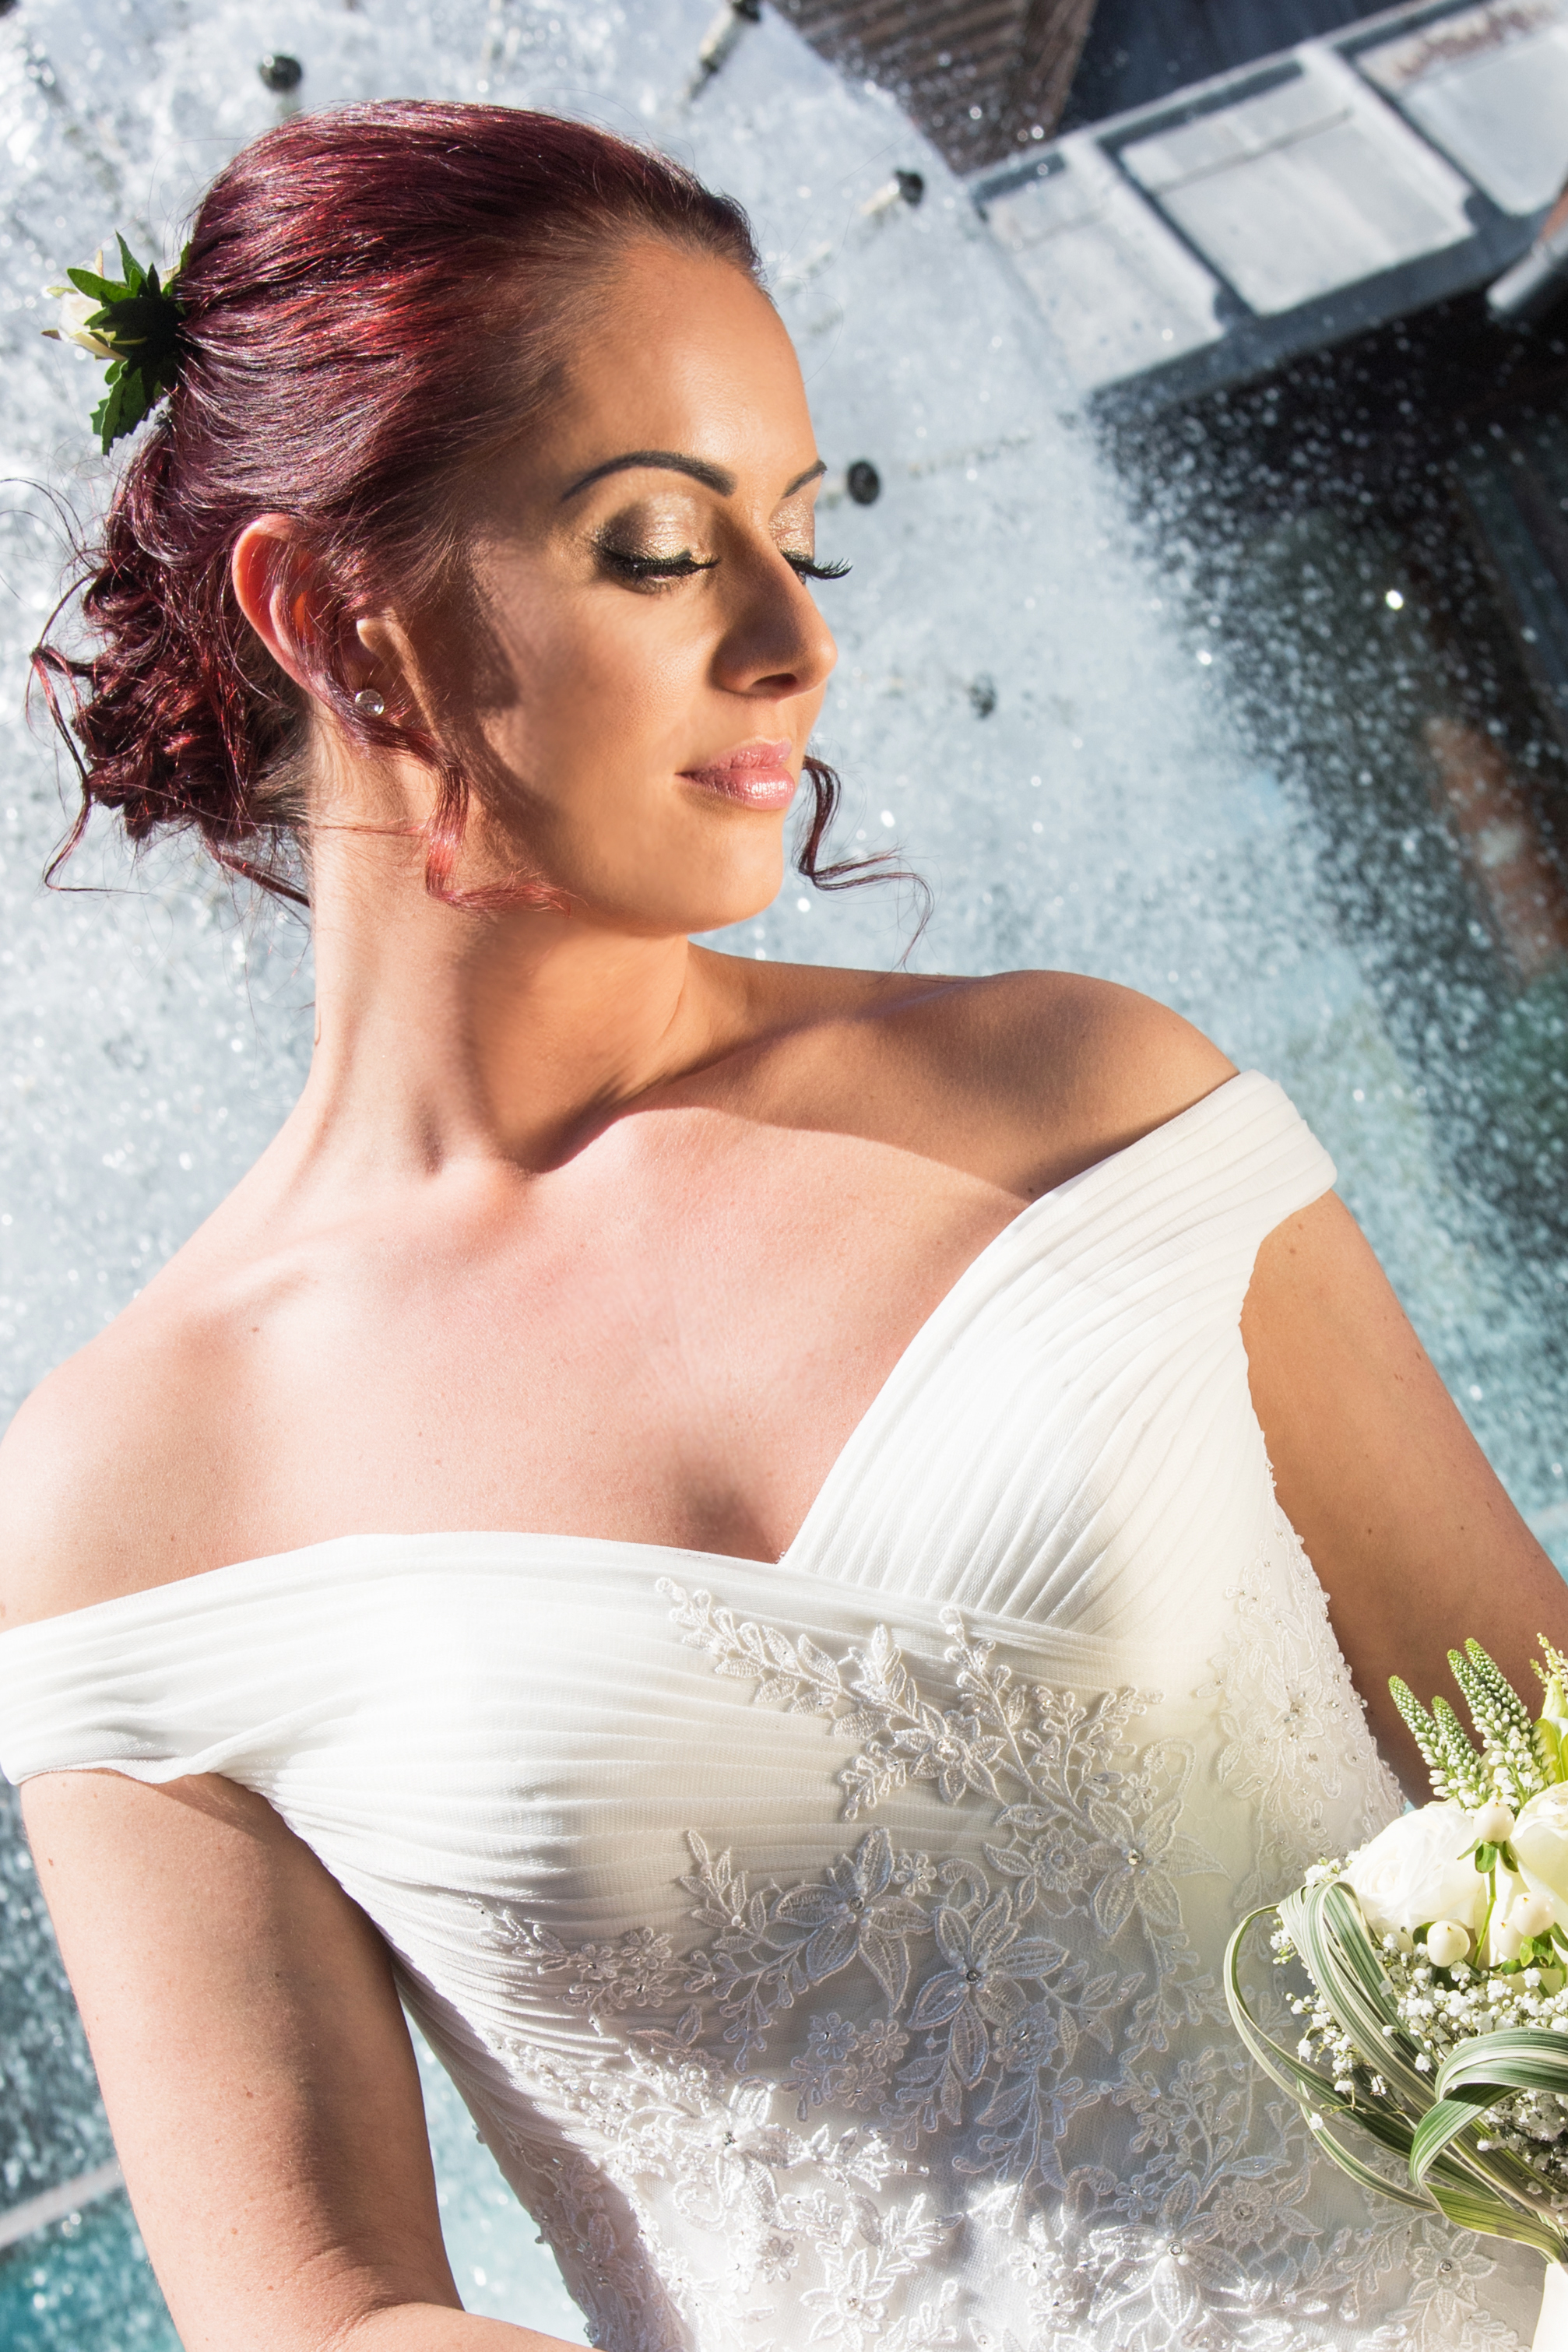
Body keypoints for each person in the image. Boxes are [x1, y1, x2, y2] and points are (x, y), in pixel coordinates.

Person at [0, 100, 1562, 2352]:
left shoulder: (1085, 1106)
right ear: (334, 611)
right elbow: (318, 2310)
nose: (792, 641)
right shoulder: (126, 1498)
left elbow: (1533, 1732)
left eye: (801, 536)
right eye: (658, 543)